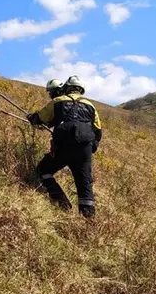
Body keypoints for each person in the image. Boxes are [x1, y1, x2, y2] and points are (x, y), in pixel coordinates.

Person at [26, 75, 102, 218]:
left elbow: (40, 118)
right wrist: (90, 148)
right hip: (84, 149)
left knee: (43, 170)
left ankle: (61, 201)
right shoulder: (91, 106)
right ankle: (88, 219)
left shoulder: (58, 101)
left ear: (66, 88)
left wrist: (32, 118)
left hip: (64, 146)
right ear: (82, 90)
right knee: (84, 182)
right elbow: (98, 131)